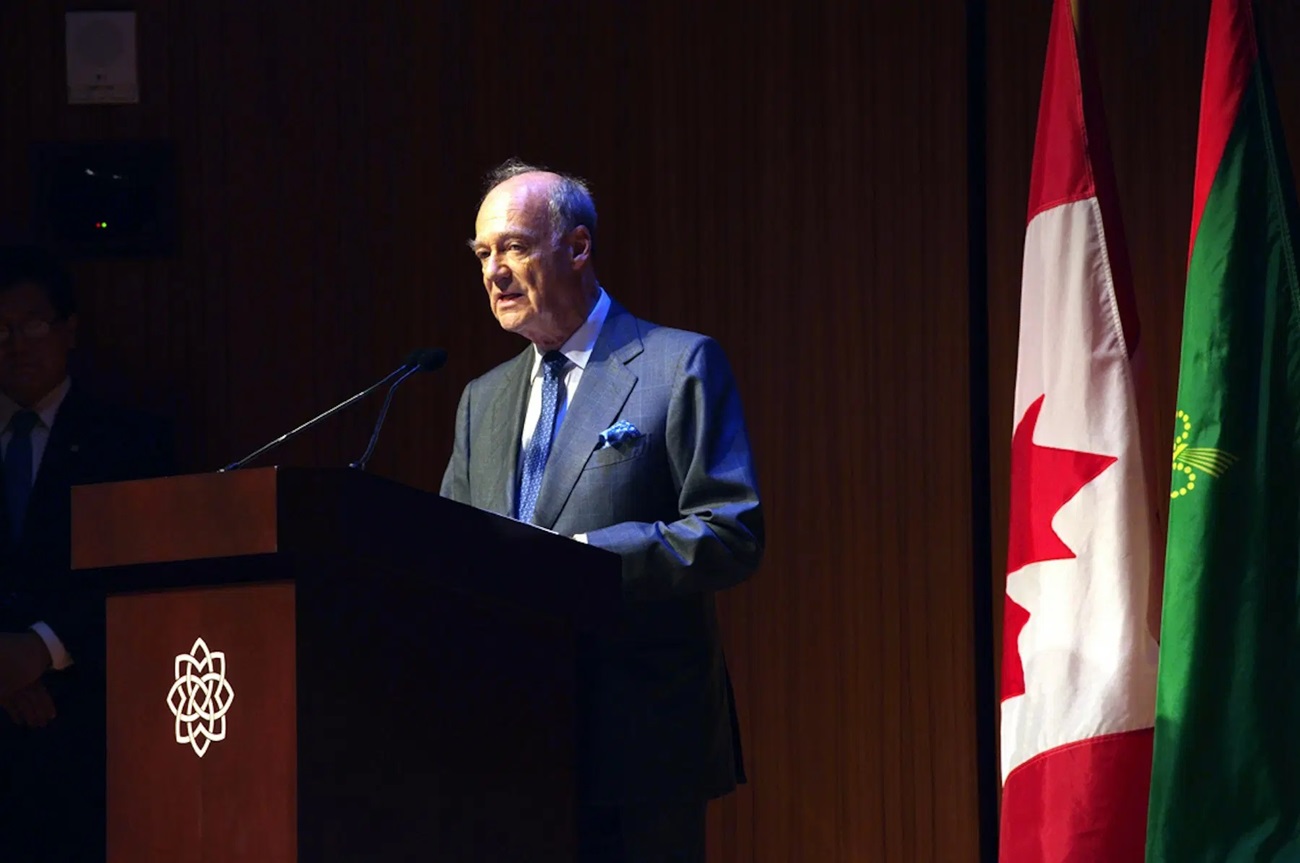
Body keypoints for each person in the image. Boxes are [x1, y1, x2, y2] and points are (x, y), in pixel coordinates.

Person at [440, 160, 764, 863]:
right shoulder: (481, 400)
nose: (495, 271)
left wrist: (583, 559)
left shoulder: (677, 366)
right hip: (511, 744)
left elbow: (729, 529)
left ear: (578, 247)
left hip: (640, 744)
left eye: (516, 247)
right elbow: (449, 553)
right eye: (484, 253)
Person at [0, 244, 174, 862]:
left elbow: (150, 575)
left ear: (68, 330)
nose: (15, 343)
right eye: (0, 329)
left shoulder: (130, 443)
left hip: (82, 735)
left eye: (32, 325)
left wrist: (39, 649)